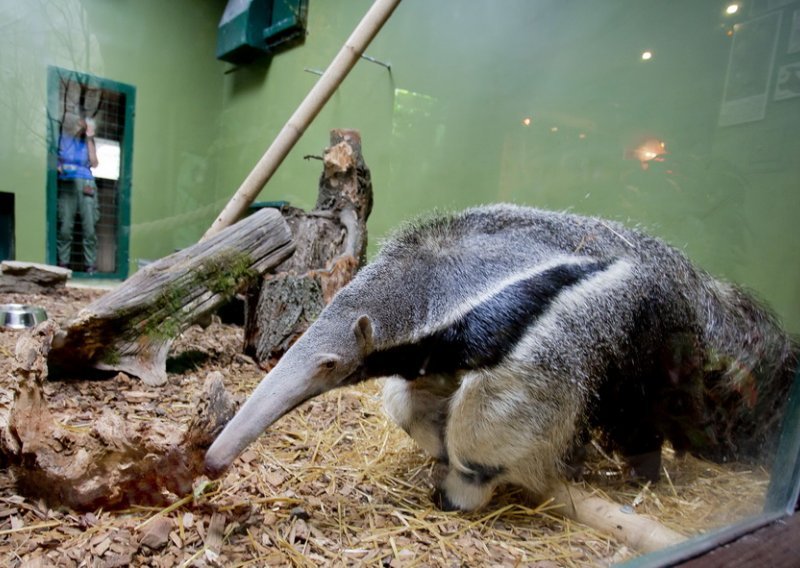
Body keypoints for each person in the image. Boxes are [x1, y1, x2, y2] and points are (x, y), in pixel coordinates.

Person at [57, 113, 100, 273]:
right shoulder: (62, 139)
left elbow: (94, 163)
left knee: (89, 228)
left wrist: (89, 138)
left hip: (86, 184)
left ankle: (90, 266)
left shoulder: (87, 141)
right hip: (67, 184)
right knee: (65, 227)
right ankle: (63, 265)